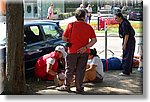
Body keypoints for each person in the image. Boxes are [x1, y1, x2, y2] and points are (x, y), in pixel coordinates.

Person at [58, 9, 97, 93]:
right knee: (81, 70)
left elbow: (64, 38)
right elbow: (94, 40)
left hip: (72, 50)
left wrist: (71, 40)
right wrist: (86, 47)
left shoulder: (70, 25)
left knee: (69, 69)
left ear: (76, 16)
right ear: (84, 16)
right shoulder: (88, 27)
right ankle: (79, 87)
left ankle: (67, 85)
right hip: (84, 52)